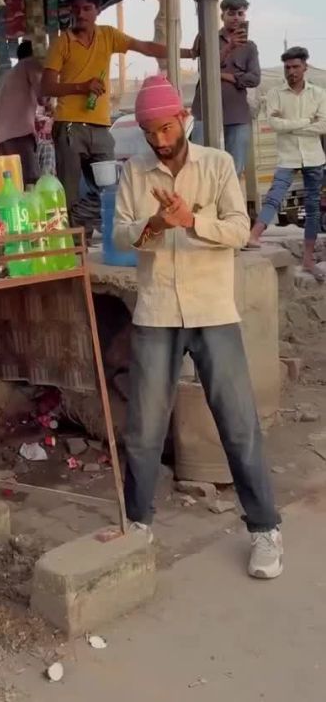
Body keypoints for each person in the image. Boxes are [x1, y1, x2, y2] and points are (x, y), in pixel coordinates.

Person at [113, 73, 283, 579]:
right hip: (157, 312)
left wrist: (190, 221)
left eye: (166, 129)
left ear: (183, 119)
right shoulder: (135, 173)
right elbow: (120, 236)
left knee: (238, 424)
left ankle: (265, 529)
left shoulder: (218, 164)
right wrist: (154, 224)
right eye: (150, 133)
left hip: (213, 311)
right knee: (144, 429)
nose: (159, 141)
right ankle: (137, 525)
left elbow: (239, 231)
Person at [41, 0, 195, 235]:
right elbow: (46, 86)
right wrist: (81, 87)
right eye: (76, 9)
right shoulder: (62, 43)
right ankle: (75, 243)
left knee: (110, 188)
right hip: (69, 125)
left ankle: (107, 236)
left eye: (87, 8)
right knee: (70, 191)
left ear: (97, 10)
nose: (81, 14)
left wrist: (188, 53)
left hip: (101, 127)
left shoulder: (108, 35)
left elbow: (145, 47)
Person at [248, 46, 326, 279]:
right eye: (287, 67)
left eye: (295, 67)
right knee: (274, 196)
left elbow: (323, 125)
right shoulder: (275, 93)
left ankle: (308, 260)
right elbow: (274, 124)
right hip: (287, 156)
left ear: (305, 67)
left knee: (312, 208)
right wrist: (306, 121)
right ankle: (254, 236)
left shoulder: (318, 93)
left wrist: (290, 125)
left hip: (314, 157)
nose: (291, 71)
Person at [191, 0, 260, 176]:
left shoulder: (250, 47)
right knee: (198, 163)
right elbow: (205, 68)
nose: (236, 18)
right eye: (231, 13)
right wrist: (228, 48)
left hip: (236, 111)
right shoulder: (207, 37)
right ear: (222, 15)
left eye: (240, 14)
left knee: (234, 167)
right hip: (205, 110)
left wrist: (225, 76)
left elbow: (254, 79)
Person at [0, 40, 44, 185]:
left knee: (11, 183)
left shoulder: (4, 78)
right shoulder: (30, 64)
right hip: (20, 135)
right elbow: (42, 96)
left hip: (2, 139)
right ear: (35, 54)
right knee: (30, 182)